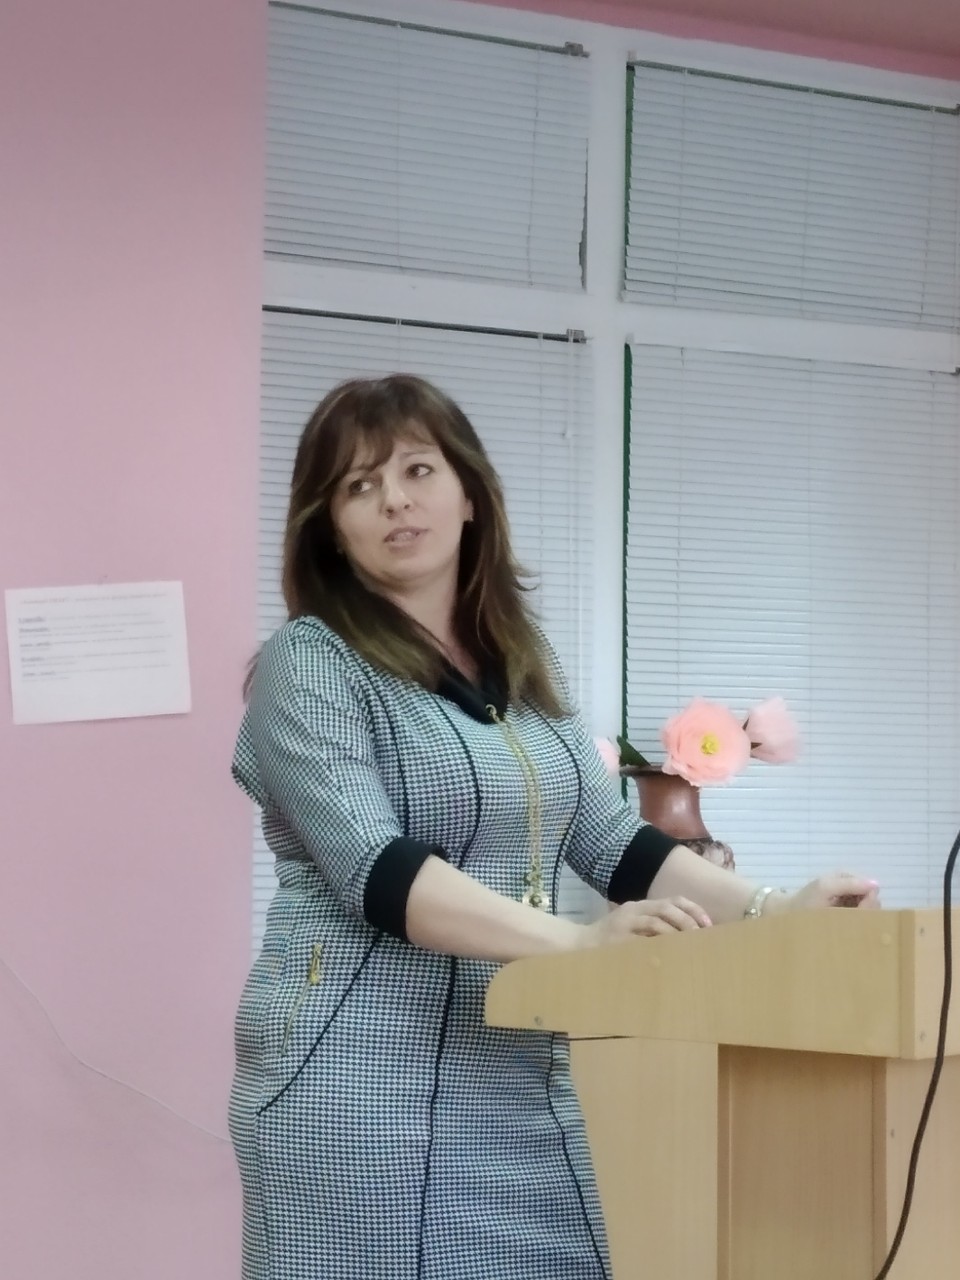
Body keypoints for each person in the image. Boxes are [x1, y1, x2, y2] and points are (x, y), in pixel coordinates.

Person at [229, 373, 879, 1280]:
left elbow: (613, 842)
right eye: (359, 486)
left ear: (469, 494)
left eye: (417, 470)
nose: (395, 502)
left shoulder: (522, 663)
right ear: (329, 525)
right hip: (355, 1083)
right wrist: (580, 947)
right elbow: (377, 870)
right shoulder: (310, 663)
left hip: (514, 1070)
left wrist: (775, 912)